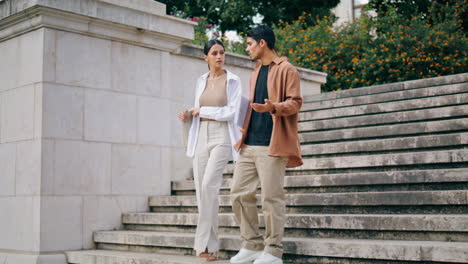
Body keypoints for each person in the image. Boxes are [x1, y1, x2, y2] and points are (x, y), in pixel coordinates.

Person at [229, 25, 303, 264]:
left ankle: (272, 251)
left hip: (273, 144)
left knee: (271, 198)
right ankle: (251, 244)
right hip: (249, 143)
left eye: (249, 43)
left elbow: (296, 102)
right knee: (239, 193)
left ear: (262, 43)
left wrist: (274, 107)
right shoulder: (255, 71)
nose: (247, 48)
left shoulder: (286, 69)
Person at [178, 39, 243, 262]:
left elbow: (231, 112)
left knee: (209, 185)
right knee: (202, 191)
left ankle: (202, 243)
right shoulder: (201, 81)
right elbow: (198, 108)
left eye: (222, 52)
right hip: (201, 133)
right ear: (205, 57)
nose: (219, 56)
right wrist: (188, 114)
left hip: (222, 135)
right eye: (214, 53)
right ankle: (211, 247)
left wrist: (203, 109)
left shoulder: (232, 80)